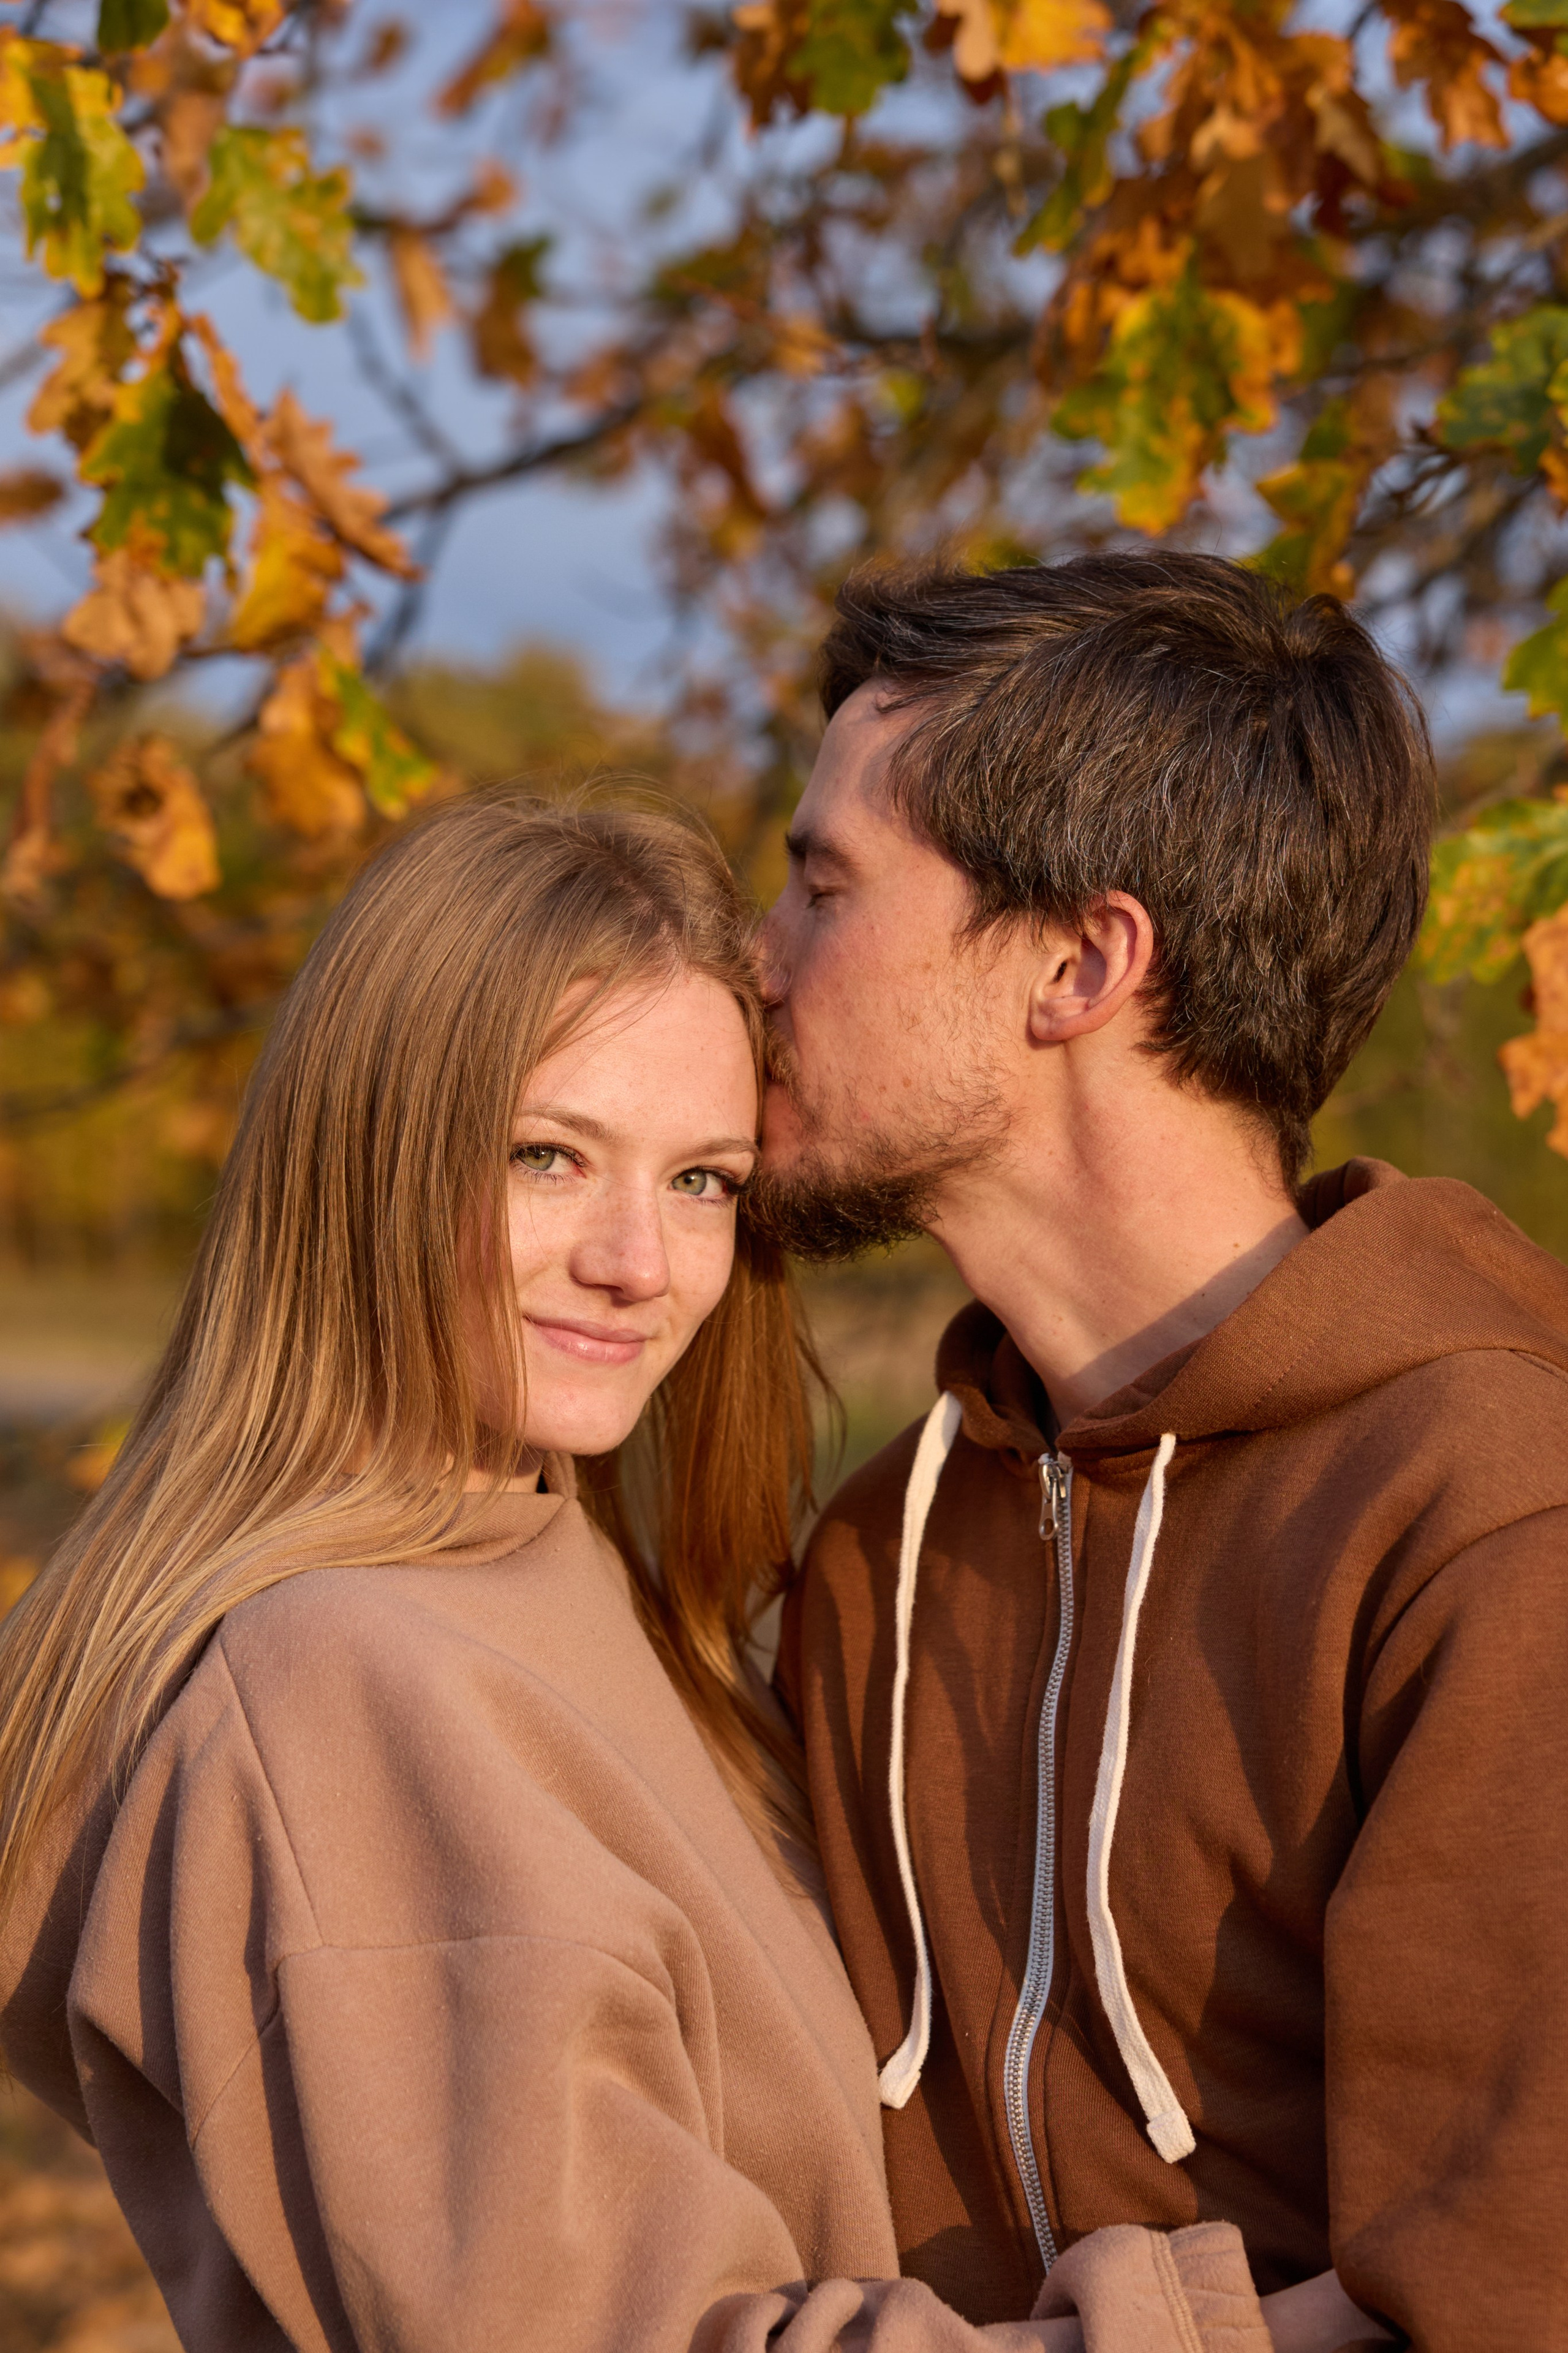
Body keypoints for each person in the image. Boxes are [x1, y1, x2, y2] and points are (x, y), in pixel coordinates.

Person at [0, 795, 1357, 2353]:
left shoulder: (563, 1588)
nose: (636, 1263)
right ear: (363, 1155)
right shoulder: (344, 1684)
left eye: (702, 1179)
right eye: (547, 1156)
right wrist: (1267, 2325)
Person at [758, 553, 1568, 2353]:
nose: (763, 961)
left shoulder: (1492, 1513)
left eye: (824, 888)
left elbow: (1513, 2288)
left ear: (1080, 963)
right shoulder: (875, 1546)